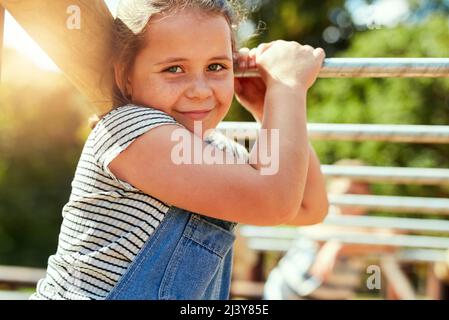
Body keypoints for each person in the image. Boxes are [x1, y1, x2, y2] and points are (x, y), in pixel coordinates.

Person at [30, 0, 328, 300]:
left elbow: (307, 205)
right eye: (174, 69)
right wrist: (287, 86)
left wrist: (268, 110)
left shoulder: (214, 150)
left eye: (216, 67)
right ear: (126, 76)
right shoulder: (130, 129)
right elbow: (275, 202)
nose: (200, 89)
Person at [264, 159, 396, 300]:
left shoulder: (366, 225)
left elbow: (391, 239)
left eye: (358, 194)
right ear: (330, 192)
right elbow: (318, 233)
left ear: (368, 196)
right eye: (347, 193)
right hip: (288, 293)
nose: (350, 202)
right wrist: (356, 242)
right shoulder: (323, 214)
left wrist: (338, 244)